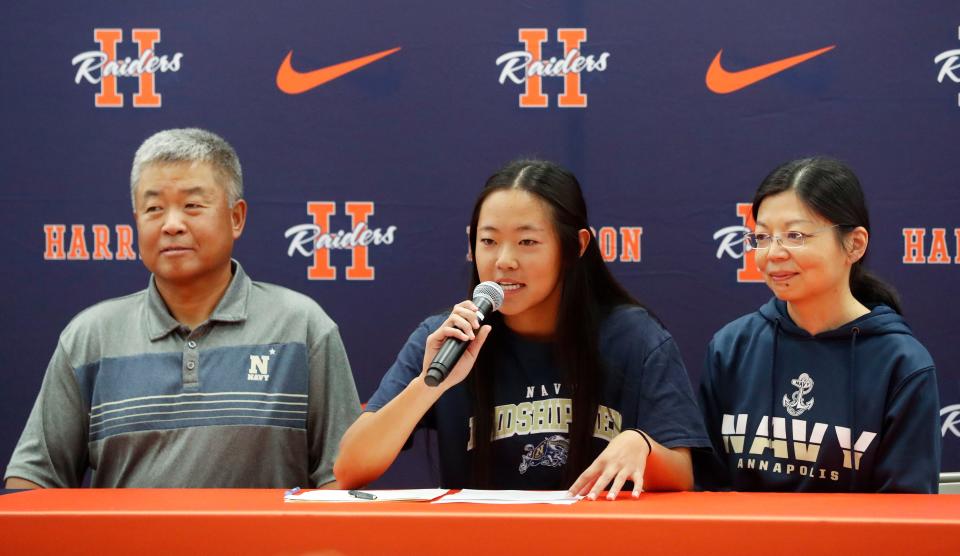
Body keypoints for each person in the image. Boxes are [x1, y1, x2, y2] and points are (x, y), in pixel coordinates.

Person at [4, 128, 361, 488]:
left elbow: (343, 477)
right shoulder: (90, 338)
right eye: (154, 208)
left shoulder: (301, 327)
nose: (172, 225)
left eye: (192, 206)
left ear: (236, 217)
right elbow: (33, 480)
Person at [335, 160, 709, 499]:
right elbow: (350, 470)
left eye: (527, 242)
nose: (504, 261)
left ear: (575, 246)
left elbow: (682, 474)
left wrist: (640, 444)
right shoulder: (444, 338)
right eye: (488, 241)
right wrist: (430, 384)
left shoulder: (633, 337)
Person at [696, 157, 940, 492]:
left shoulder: (902, 364)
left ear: (854, 244)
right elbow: (705, 485)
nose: (773, 253)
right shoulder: (733, 347)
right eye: (762, 237)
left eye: (795, 235)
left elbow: (905, 515)